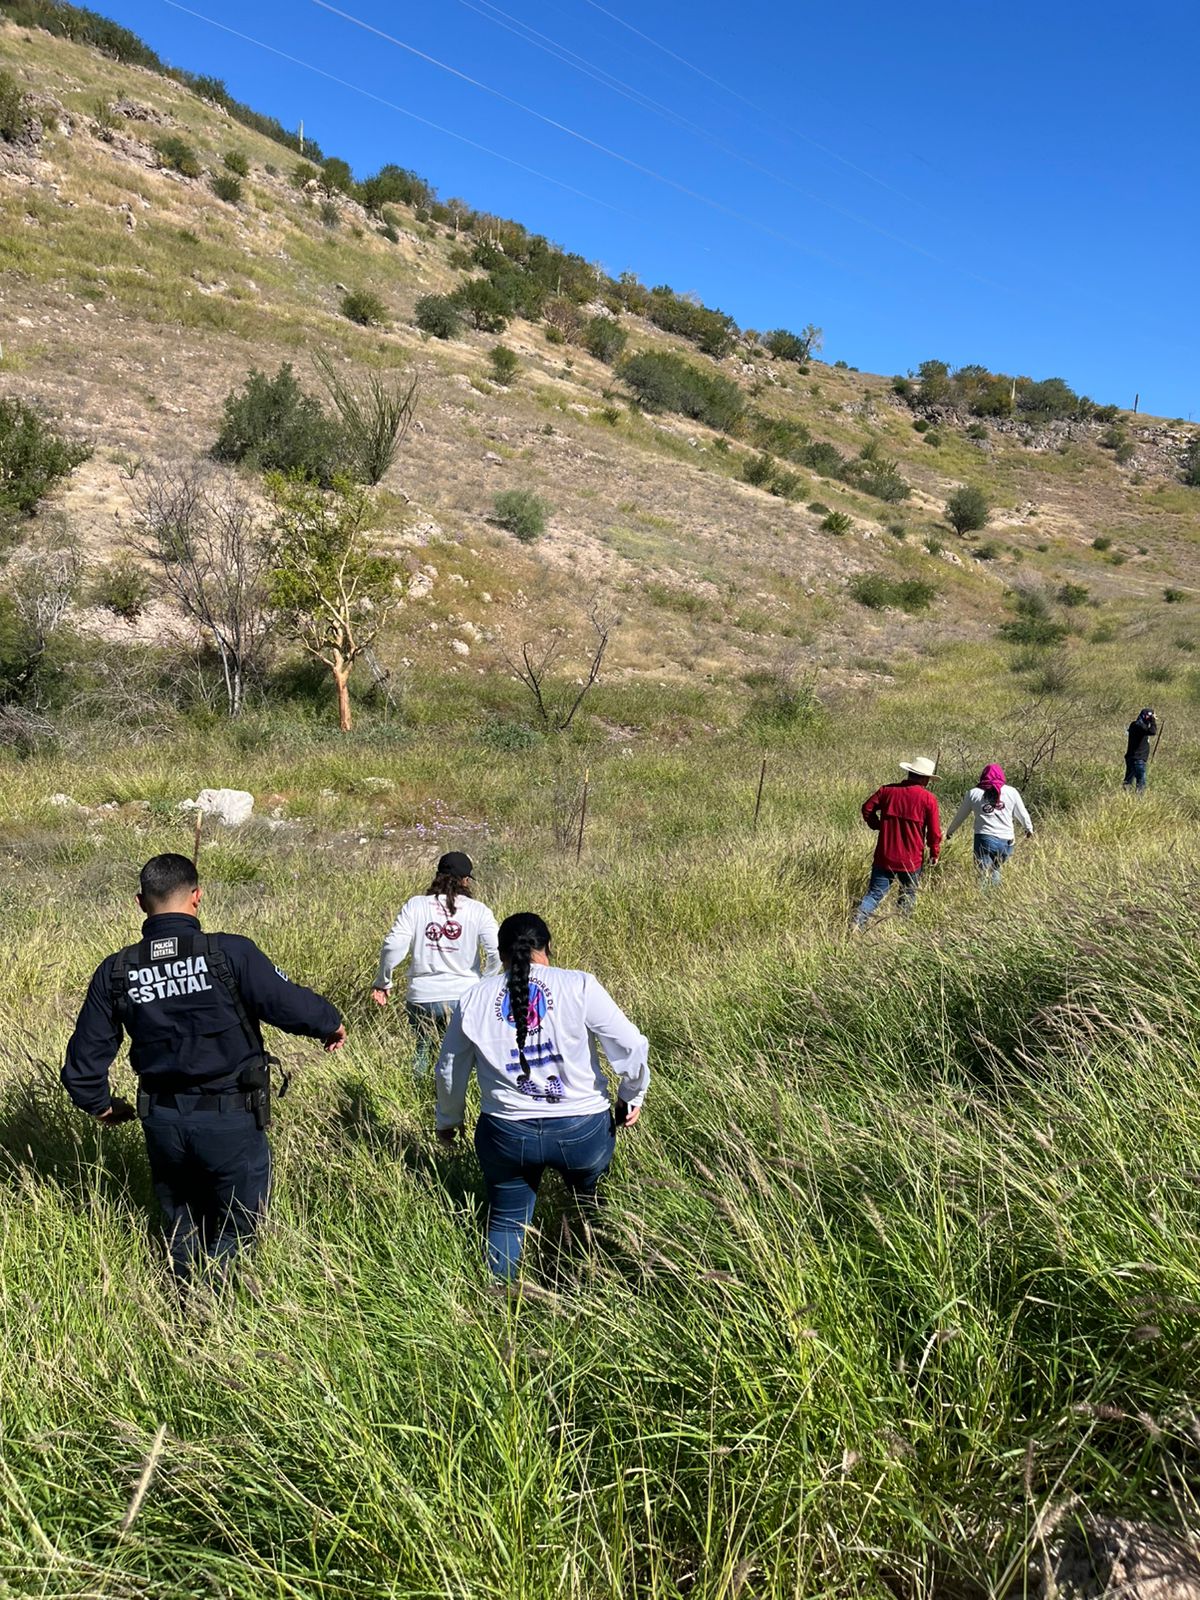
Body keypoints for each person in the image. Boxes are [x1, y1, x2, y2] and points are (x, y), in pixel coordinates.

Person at [62, 853, 345, 1282]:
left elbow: (84, 1060)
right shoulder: (229, 952)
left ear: (140, 903)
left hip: (162, 1122)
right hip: (231, 1118)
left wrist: (99, 1104)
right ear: (197, 896)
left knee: (183, 1226)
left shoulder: (116, 971)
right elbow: (287, 1003)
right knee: (239, 1227)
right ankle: (216, 1307)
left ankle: (182, 1301)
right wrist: (330, 1023)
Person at [435, 912, 649, 1281]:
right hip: (583, 1129)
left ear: (500, 954)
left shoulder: (474, 997)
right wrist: (631, 1095)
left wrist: (448, 1120)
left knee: (506, 1220)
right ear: (548, 947)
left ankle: (499, 1302)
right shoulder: (579, 984)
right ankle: (600, 1281)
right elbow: (631, 1045)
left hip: (506, 1133)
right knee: (592, 1209)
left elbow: (449, 1068)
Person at [371, 851, 501, 1075]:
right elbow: (496, 951)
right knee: (462, 1059)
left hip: (422, 996)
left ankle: (416, 1091)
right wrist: (485, 983)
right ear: (466, 880)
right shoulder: (478, 910)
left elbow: (393, 945)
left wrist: (383, 981)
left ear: (437, 875)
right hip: (465, 996)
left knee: (422, 1050)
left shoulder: (415, 906)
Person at [852, 756, 942, 929]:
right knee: (907, 896)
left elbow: (867, 808)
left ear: (909, 773)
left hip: (885, 855)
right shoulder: (928, 799)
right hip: (912, 859)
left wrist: (877, 825)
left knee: (874, 895)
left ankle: (857, 924)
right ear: (925, 779)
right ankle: (901, 931)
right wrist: (934, 851)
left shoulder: (887, 791)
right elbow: (934, 831)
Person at [943, 763, 1034, 885]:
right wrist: (1028, 829)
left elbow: (960, 816)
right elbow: (1022, 813)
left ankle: (983, 895)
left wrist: (950, 831)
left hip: (984, 839)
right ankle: (995, 894)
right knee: (995, 869)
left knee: (983, 874)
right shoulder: (1012, 792)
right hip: (1007, 841)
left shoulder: (973, 793)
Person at [1124, 707, 1158, 792]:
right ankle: (1138, 798)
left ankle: (1126, 795)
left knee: (1128, 781)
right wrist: (1153, 721)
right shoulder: (1138, 725)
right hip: (1137, 759)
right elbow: (1152, 732)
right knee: (1140, 782)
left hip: (1133, 758)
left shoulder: (1137, 725)